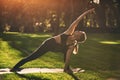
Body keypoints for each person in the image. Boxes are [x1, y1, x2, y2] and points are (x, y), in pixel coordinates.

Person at [10, 8, 95, 73]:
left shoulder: (72, 45)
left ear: (78, 37)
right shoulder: (69, 32)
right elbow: (78, 20)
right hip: (49, 44)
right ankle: (15, 67)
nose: (78, 30)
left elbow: (68, 58)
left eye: (79, 32)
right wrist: (88, 12)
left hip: (56, 48)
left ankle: (67, 68)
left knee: (67, 51)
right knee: (32, 57)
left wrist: (65, 68)